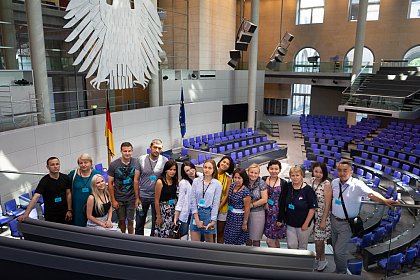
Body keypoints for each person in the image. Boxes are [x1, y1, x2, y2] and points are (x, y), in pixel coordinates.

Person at [331, 160, 399, 274]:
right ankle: (337, 269)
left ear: (351, 172)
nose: (342, 173)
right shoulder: (334, 182)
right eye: (339, 170)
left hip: (347, 224)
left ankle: (341, 273)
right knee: (334, 248)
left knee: (339, 251)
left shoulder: (357, 184)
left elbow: (371, 194)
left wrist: (384, 200)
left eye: (345, 170)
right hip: (334, 220)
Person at [18, 157, 72, 224]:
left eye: (57, 164)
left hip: (65, 212)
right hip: (51, 215)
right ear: (48, 167)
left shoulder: (65, 178)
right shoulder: (44, 181)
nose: (55, 166)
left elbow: (68, 194)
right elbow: (35, 197)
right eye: (52, 165)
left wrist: (69, 210)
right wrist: (26, 214)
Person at [279, 166, 317, 250]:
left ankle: (301, 263)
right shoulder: (287, 186)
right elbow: (282, 203)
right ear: (290, 176)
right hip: (290, 223)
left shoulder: (308, 190)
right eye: (293, 175)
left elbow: (312, 208)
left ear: (301, 176)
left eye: (297, 175)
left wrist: (306, 223)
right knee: (291, 245)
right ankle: (293, 263)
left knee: (302, 246)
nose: (295, 178)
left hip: (303, 224)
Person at [136, 139, 168, 236]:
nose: (157, 150)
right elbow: (136, 180)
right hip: (143, 197)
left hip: (157, 198)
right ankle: (138, 244)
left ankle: (151, 245)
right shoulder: (141, 159)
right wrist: (137, 198)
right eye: (155, 147)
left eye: (159, 148)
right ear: (150, 147)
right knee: (139, 223)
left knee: (155, 224)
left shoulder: (164, 161)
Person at [108, 142, 140, 234]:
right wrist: (113, 200)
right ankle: (123, 238)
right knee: (121, 221)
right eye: (125, 151)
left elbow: (137, 180)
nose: (127, 153)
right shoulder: (114, 164)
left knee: (131, 221)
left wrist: (137, 198)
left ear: (132, 151)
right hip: (119, 198)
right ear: (121, 151)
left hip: (131, 198)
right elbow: (110, 184)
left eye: (129, 151)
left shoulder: (136, 162)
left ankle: (131, 239)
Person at [190, 159, 222, 243]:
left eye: (209, 168)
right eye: (205, 167)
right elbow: (192, 200)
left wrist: (213, 220)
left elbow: (216, 203)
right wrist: (196, 218)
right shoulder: (196, 181)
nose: (207, 170)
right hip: (196, 212)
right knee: (194, 244)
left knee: (209, 244)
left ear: (214, 170)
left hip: (208, 214)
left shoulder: (217, 184)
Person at [68, 153, 101, 227]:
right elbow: (68, 192)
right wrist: (69, 209)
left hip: (93, 207)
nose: (83, 165)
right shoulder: (73, 174)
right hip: (77, 207)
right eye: (81, 163)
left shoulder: (97, 174)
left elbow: (102, 191)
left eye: (86, 162)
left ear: (91, 163)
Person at [311, 162, 332, 271]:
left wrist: (323, 220)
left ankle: (319, 259)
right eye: (316, 171)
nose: (318, 174)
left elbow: (328, 204)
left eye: (320, 172)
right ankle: (321, 259)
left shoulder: (327, 184)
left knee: (319, 242)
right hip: (313, 216)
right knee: (317, 241)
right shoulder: (312, 181)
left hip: (322, 216)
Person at [224, 168, 251, 245]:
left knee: (235, 240)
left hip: (239, 219)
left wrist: (244, 223)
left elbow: (247, 208)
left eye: (239, 178)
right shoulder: (232, 186)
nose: (237, 180)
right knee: (227, 239)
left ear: (243, 178)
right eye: (235, 177)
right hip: (230, 216)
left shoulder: (245, 191)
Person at [263, 160, 287, 248]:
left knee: (270, 241)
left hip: (276, 214)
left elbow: (283, 202)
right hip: (265, 212)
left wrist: (280, 219)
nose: (274, 171)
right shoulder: (263, 179)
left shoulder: (284, 183)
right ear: (268, 169)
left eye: (276, 169)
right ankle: (279, 258)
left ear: (280, 170)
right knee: (275, 239)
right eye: (271, 168)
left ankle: (273, 260)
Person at [174, 161, 199, 240]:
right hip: (186, 213)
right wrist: (176, 215)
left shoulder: (200, 178)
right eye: (187, 171)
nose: (191, 171)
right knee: (184, 235)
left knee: (196, 234)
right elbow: (180, 200)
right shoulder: (183, 183)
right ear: (184, 173)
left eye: (191, 168)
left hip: (197, 212)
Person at [154, 160, 178, 238]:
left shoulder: (175, 181)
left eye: (174, 170)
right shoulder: (160, 182)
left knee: (172, 234)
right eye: (170, 169)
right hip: (163, 211)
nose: (172, 172)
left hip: (173, 211)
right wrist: (158, 216)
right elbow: (156, 200)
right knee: (163, 233)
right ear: (166, 170)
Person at [246, 163, 268, 247]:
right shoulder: (244, 181)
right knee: (247, 238)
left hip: (257, 213)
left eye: (255, 173)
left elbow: (264, 199)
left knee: (256, 239)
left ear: (259, 174)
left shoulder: (261, 183)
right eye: (251, 172)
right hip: (245, 213)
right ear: (248, 172)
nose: (253, 175)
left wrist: (252, 205)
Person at [216, 156, 234, 244]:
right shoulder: (211, 173)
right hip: (208, 207)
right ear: (220, 162)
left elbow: (227, 195)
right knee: (210, 232)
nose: (225, 164)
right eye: (224, 162)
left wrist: (218, 207)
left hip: (222, 207)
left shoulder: (228, 178)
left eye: (227, 164)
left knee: (220, 232)